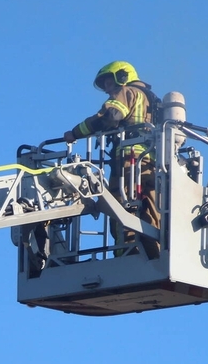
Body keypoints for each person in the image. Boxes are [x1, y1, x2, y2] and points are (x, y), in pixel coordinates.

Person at [63, 61, 160, 258]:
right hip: (151, 162)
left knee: (121, 205)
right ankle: (153, 252)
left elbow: (110, 116)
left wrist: (75, 133)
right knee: (150, 207)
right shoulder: (152, 99)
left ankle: (126, 252)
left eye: (109, 83)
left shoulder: (126, 92)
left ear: (122, 77)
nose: (108, 90)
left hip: (129, 159)